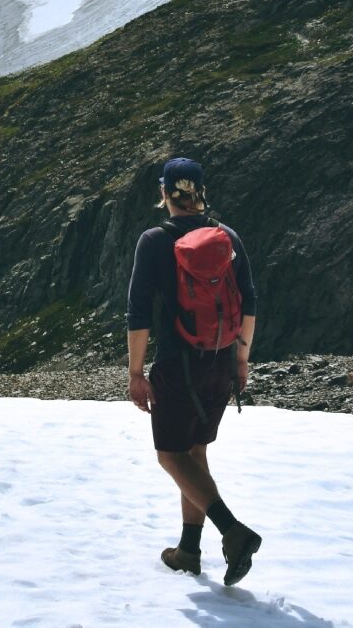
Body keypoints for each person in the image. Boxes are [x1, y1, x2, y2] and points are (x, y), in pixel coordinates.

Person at [126, 157, 261, 585]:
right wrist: (241, 359)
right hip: (221, 359)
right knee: (196, 453)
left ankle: (232, 531)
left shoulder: (153, 240)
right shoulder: (228, 236)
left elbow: (139, 314)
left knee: (171, 455)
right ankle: (188, 550)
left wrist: (135, 372)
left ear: (165, 193)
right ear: (201, 193)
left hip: (176, 364)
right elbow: (251, 302)